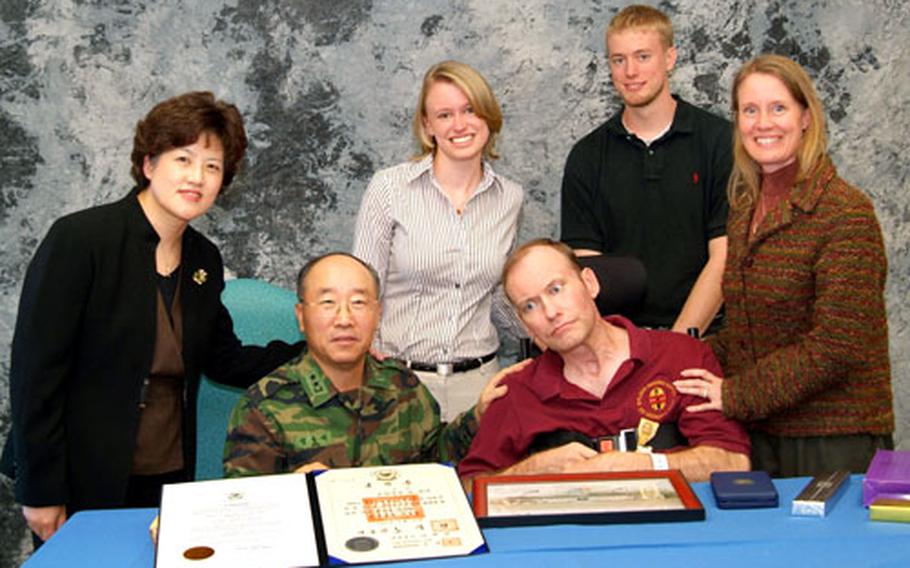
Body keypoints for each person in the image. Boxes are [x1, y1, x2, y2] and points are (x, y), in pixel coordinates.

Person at [3, 92, 303, 543]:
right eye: (183, 158)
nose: (197, 177)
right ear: (148, 163)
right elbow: (34, 375)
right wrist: (41, 490)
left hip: (167, 474)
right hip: (81, 478)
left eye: (212, 166)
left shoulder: (204, 258)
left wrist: (313, 353)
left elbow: (224, 360)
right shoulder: (80, 240)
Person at [673, 55, 894, 477]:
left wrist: (736, 394)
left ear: (806, 116)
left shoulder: (845, 214)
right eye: (750, 111)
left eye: (778, 108)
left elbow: (836, 347)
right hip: (762, 433)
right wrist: (675, 359)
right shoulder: (744, 209)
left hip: (832, 440)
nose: (763, 123)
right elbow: (749, 331)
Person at [458, 239, 749, 483]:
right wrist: (531, 471)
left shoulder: (681, 356)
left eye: (556, 289)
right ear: (524, 324)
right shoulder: (516, 390)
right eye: (529, 306)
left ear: (589, 283)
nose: (550, 312)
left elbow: (733, 463)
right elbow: (470, 486)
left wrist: (643, 467)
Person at [223, 253, 522, 477]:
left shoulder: (401, 385)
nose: (344, 319)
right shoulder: (265, 406)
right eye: (328, 303)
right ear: (301, 316)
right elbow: (246, 510)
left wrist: (479, 415)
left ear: (377, 314)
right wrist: (293, 491)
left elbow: (435, 458)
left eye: (358, 302)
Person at [353, 60, 523, 422]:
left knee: (477, 480)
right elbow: (362, 287)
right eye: (444, 115)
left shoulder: (510, 198)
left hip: (480, 384)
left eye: (470, 110)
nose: (459, 125)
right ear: (427, 126)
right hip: (398, 383)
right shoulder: (389, 188)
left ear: (488, 117)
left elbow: (494, 293)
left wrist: (545, 323)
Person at [560, 5, 731, 335]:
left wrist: (678, 343)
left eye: (642, 56)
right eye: (618, 60)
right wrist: (625, 347)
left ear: (670, 58)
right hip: (622, 342)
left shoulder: (719, 142)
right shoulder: (587, 156)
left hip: (705, 337)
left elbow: (724, 259)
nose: (630, 71)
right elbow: (589, 271)